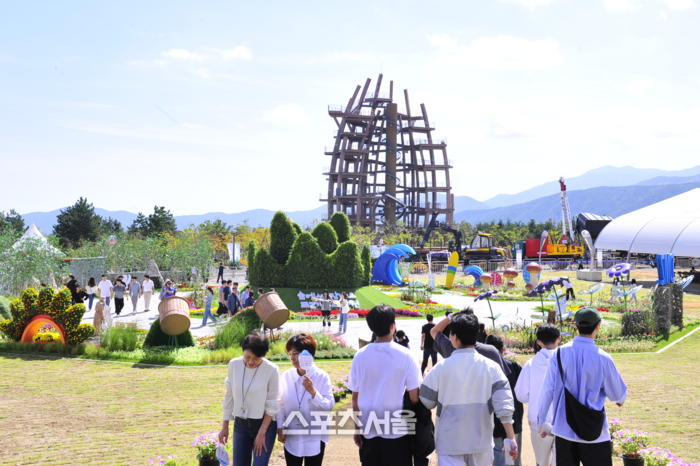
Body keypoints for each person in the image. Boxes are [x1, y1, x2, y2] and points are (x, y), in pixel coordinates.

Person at [419, 313, 517, 466]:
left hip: (449, 443)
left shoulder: (441, 367)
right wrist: (511, 437)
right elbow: (504, 404)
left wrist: (426, 378)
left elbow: (427, 400)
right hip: (481, 444)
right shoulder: (492, 367)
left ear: (455, 337)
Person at [537, 307, 628, 466]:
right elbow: (618, 394)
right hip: (594, 431)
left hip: (564, 430)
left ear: (575, 325)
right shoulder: (603, 358)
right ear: (598, 326)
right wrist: (619, 399)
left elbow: (547, 389)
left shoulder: (559, 353)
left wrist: (541, 420)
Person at [348, 304, 422, 466]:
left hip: (369, 427)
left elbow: (355, 398)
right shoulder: (407, 355)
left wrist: (357, 429)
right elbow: (414, 398)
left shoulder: (360, 355)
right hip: (397, 431)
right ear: (392, 326)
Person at [219, 330, 280, 466]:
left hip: (265, 424)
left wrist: (262, 432)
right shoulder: (234, 365)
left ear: (263, 355)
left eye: (256, 358)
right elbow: (229, 396)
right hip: (241, 424)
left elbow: (272, 404)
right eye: (247, 356)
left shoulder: (272, 369)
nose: (251, 361)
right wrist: (225, 426)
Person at [277, 333, 334, 466]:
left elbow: (328, 407)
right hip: (292, 438)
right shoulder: (287, 376)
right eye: (290, 354)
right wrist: (280, 427)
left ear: (308, 354)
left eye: (296, 353)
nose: (292, 358)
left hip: (314, 439)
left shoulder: (322, 377)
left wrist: (314, 392)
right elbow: (281, 405)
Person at [514, 323, 561, 466]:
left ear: (539, 342)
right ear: (559, 339)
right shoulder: (566, 361)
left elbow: (521, 395)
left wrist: (534, 399)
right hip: (563, 422)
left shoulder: (530, 364)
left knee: (541, 462)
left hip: (539, 423)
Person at [430, 310, 511, 375]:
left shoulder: (450, 350)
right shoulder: (491, 351)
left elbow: (434, 331)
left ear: (456, 337)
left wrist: (452, 316)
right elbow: (503, 382)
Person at [486, 334, 524, 466]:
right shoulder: (514, 366)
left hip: (494, 420)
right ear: (503, 349)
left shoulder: (485, 369)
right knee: (514, 455)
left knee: (497, 455)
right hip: (514, 417)